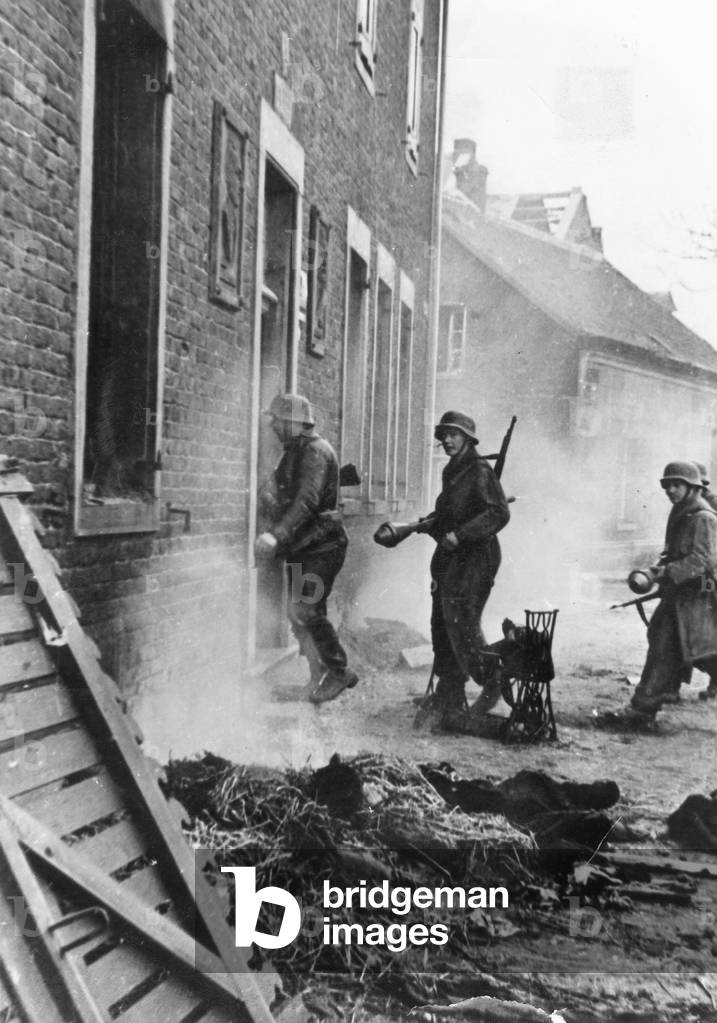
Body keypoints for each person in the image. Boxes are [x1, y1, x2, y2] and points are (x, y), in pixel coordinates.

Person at [256, 393, 358, 703]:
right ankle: (317, 678)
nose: (274, 428)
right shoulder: (296, 451)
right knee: (300, 612)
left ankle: (339, 671)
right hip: (305, 548)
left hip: (321, 549)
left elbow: (307, 500)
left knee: (306, 609)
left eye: (278, 422)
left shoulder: (314, 452)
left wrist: (276, 535)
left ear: (293, 423)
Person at [418, 410, 510, 726]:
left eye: (453, 434)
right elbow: (451, 512)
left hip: (476, 558)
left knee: (461, 619)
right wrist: (430, 524)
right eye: (443, 435)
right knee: (442, 620)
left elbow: (498, 514)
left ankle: (492, 676)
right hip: (453, 557)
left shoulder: (479, 470)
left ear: (468, 439)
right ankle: (449, 689)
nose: (446, 440)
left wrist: (461, 534)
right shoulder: (453, 471)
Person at [617, 461, 717, 725]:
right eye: (667, 485)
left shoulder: (703, 517)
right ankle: (663, 693)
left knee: (672, 644)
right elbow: (673, 551)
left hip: (695, 596)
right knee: (676, 642)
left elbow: (702, 560)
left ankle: (643, 709)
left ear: (692, 487)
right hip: (680, 594)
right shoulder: (682, 512)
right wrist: (657, 568)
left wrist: (666, 573)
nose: (670, 490)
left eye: (677, 484)